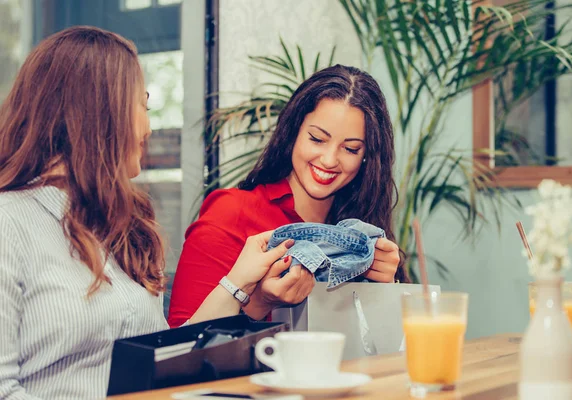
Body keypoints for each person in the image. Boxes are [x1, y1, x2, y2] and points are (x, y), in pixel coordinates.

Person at [0, 26, 292, 400]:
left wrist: (239, 280)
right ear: (98, 112)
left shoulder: (128, 228)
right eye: (143, 105)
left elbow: (160, 362)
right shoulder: (9, 225)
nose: (149, 127)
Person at [168, 65, 407, 328]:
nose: (329, 160)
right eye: (317, 139)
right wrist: (261, 302)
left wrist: (386, 285)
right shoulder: (233, 212)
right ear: (292, 132)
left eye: (350, 149)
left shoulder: (362, 229)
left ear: (366, 158)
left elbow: (381, 346)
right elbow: (180, 344)